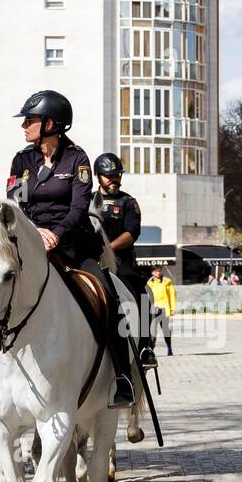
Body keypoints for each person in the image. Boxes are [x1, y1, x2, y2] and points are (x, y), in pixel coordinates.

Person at [8, 90, 134, 406]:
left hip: (74, 246)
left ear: (51, 123)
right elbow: (16, 202)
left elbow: (79, 207)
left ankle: (122, 377)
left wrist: (56, 234)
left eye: (30, 120)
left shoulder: (77, 159)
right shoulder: (22, 160)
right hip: (31, 243)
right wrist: (35, 232)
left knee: (108, 293)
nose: (24, 126)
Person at [94, 151, 156, 369]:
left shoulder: (128, 202)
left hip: (122, 264)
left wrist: (108, 249)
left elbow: (132, 233)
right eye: (109, 176)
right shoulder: (89, 202)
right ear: (98, 176)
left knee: (142, 294)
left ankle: (146, 346)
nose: (114, 179)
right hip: (94, 263)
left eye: (117, 175)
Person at [147, 265, 176, 356]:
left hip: (164, 309)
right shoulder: (148, 283)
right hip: (153, 310)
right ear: (152, 272)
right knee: (153, 331)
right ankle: (152, 350)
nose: (158, 273)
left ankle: (169, 347)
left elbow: (172, 295)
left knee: (165, 330)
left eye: (159, 271)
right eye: (156, 271)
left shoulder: (167, 282)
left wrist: (172, 308)